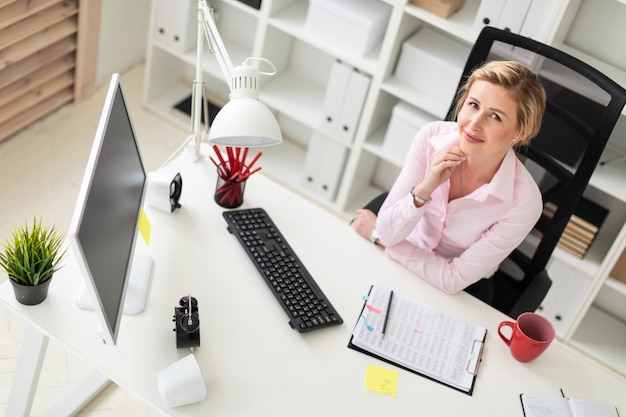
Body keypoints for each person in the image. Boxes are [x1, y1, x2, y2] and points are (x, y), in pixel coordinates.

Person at [350, 60, 547, 303]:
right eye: (473, 105)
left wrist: (379, 238)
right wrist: (425, 188)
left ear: (520, 132)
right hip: (407, 241)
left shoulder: (524, 202)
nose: (474, 124)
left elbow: (453, 279)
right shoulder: (431, 137)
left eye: (494, 116)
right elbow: (390, 235)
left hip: (462, 288)